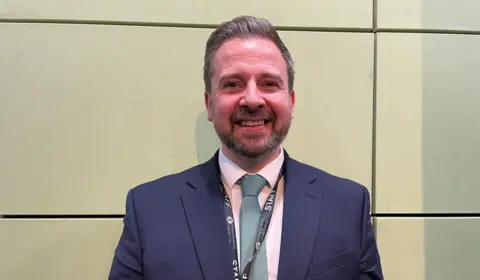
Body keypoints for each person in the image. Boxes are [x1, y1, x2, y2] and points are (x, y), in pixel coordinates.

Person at [108, 15, 383, 280]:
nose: (252, 99)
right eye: (232, 84)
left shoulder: (347, 206)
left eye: (268, 83)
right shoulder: (149, 209)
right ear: (209, 104)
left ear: (291, 101)